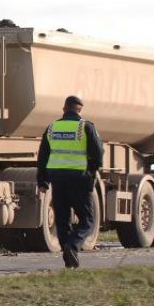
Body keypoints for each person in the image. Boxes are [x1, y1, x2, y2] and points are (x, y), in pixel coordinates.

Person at [37, 95, 104, 268]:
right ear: (80, 110)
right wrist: (91, 174)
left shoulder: (52, 127)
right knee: (87, 219)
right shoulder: (86, 127)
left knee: (62, 220)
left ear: (64, 109)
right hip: (79, 180)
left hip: (57, 179)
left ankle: (69, 260)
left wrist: (42, 182)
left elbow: (43, 156)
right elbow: (98, 155)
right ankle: (72, 246)